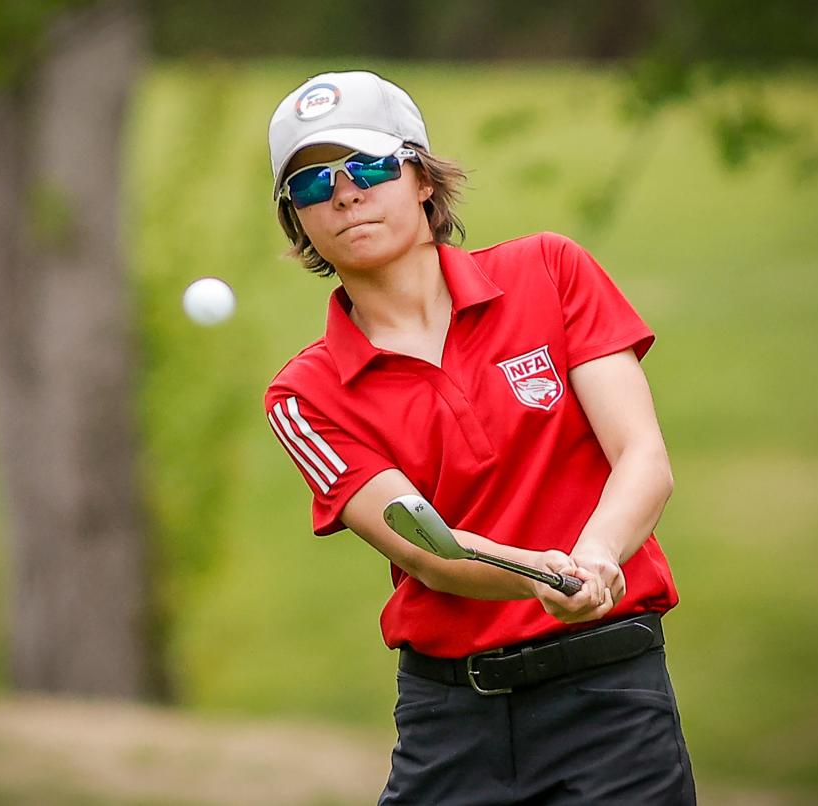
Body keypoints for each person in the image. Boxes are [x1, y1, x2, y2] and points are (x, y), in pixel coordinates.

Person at [264, 70, 697, 805]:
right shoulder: (304, 396)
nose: (343, 194)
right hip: (453, 726)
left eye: (367, 166)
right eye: (311, 185)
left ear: (421, 178)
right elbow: (428, 550)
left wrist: (594, 557)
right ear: (297, 220)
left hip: (613, 704)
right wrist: (545, 576)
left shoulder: (550, 271)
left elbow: (642, 457)